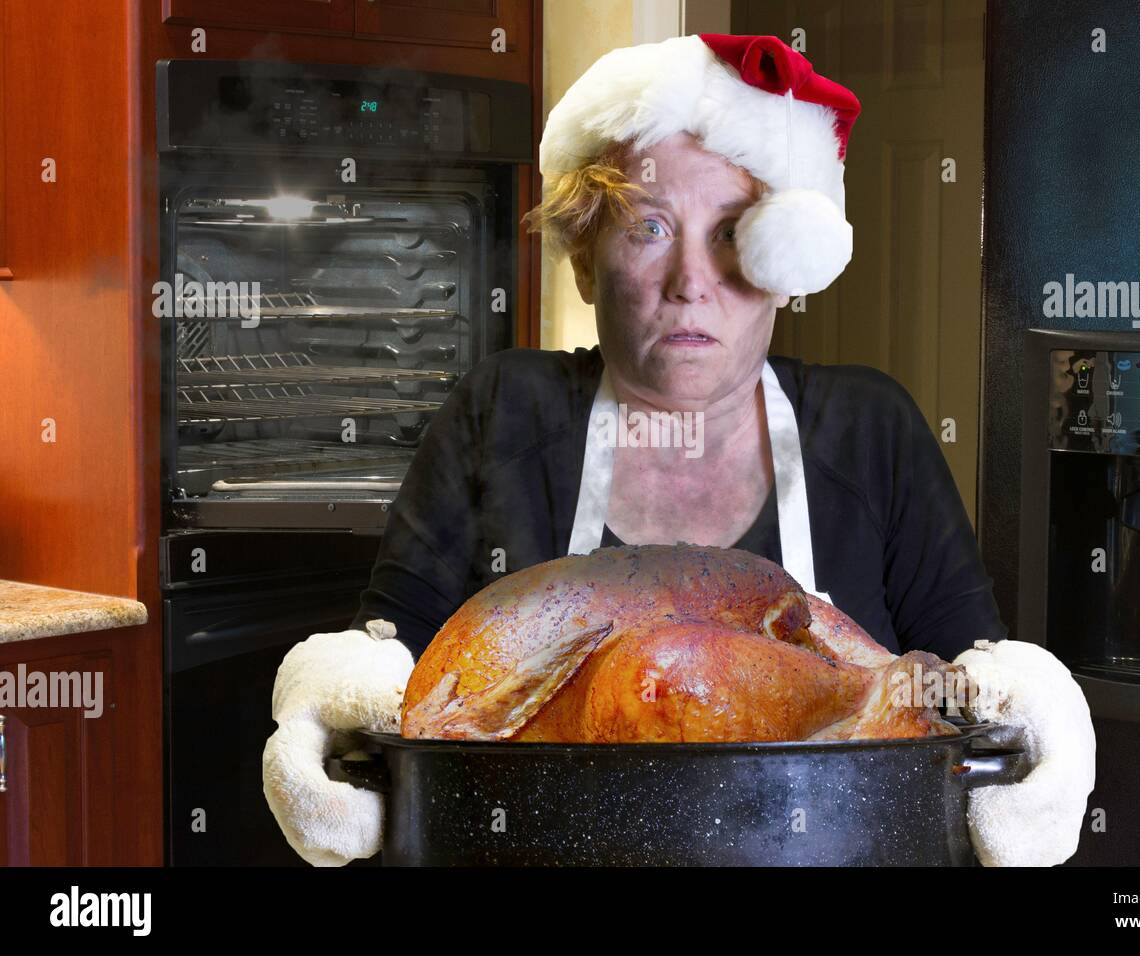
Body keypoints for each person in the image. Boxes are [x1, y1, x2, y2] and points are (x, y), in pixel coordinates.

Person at [263, 33, 1095, 868]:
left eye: (734, 233)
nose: (692, 280)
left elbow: (967, 688)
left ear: (782, 264)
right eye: (650, 226)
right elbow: (389, 675)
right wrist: (322, 713)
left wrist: (1037, 718)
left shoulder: (869, 429)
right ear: (586, 262)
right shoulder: (501, 414)